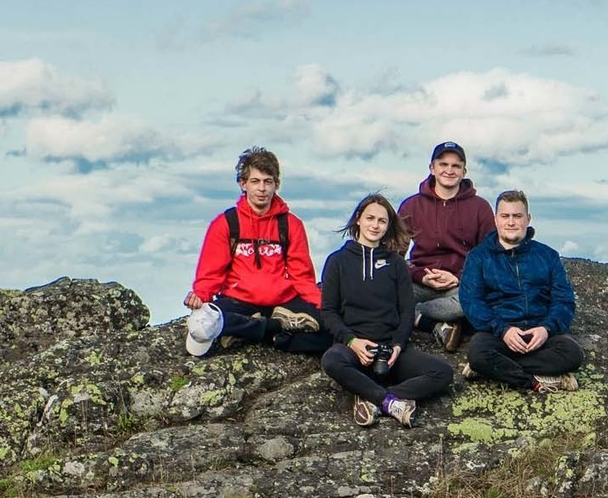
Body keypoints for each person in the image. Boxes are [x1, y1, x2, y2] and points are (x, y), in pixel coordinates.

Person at [317, 195, 456, 427]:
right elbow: (329, 312)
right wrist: (352, 341)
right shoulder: (337, 261)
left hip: (390, 350)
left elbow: (407, 311)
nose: (375, 225)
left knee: (442, 373)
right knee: (331, 360)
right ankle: (389, 402)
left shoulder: (396, 263)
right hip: (354, 348)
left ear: (388, 225)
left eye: (382, 221)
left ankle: (373, 398)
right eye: (370, 218)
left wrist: (397, 346)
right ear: (358, 219)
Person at [185, 147, 325, 358]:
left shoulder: (291, 225)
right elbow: (211, 273)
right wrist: (200, 296)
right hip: (238, 302)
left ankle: (246, 330)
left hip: (284, 305)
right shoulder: (226, 223)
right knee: (208, 317)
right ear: (243, 184)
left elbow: (302, 276)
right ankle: (275, 328)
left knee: (325, 324)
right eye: (255, 181)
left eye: (268, 182)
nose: (262, 188)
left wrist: (322, 304)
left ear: (276, 185)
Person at [458, 191, 585, 394]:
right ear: (496, 220)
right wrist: (503, 330)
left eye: (517, 216)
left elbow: (564, 301)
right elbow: (472, 302)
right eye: (505, 216)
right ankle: (534, 381)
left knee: (573, 354)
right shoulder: (478, 257)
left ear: (528, 219)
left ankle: (495, 369)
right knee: (478, 354)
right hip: (499, 335)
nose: (511, 222)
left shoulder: (548, 256)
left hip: (540, 335)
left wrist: (546, 329)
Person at [399, 141, 494, 351]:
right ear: (432, 168)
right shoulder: (411, 206)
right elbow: (395, 257)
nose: (449, 170)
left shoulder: (480, 207)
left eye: (456, 166)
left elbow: (489, 256)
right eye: (443, 164)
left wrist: (459, 277)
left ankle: (417, 312)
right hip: (421, 281)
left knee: (474, 303)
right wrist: (420, 276)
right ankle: (436, 324)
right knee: (382, 296)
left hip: (460, 285)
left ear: (464, 171)